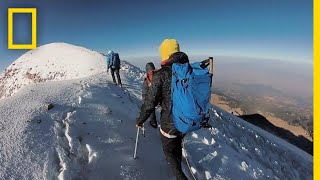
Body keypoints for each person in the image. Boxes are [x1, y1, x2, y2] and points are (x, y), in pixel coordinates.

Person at [136, 39, 188, 180]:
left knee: (169, 152)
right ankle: (179, 159)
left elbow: (149, 104)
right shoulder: (188, 69)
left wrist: (140, 120)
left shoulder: (161, 74)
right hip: (186, 121)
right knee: (176, 145)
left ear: (165, 55)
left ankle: (180, 176)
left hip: (169, 124)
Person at [142, 62, 158, 128]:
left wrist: (144, 103)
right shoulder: (160, 75)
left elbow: (145, 93)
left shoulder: (147, 80)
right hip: (162, 98)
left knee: (151, 107)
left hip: (153, 99)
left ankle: (153, 123)